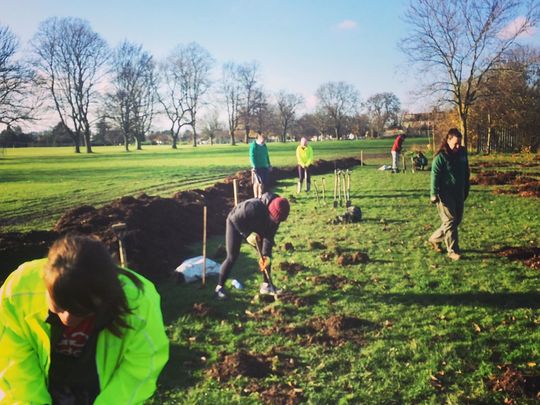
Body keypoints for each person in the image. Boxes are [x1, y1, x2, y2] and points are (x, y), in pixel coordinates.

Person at [0, 234, 169, 404]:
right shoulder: (17, 293)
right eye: (59, 305)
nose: (67, 318)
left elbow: (141, 367)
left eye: (79, 311)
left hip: (105, 391)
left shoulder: (139, 302)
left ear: (103, 298)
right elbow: (12, 361)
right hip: (42, 386)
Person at [215, 192, 290, 299]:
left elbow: (269, 237)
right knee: (232, 256)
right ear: (270, 212)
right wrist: (247, 234)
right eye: (275, 220)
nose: (276, 223)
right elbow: (234, 218)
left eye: (278, 221)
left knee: (265, 257)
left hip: (257, 227)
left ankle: (266, 285)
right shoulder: (253, 207)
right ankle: (219, 288)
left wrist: (266, 256)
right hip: (236, 224)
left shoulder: (278, 215)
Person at [429, 128, 470, 261]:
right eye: (455, 144)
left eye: (459, 143)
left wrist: (466, 187)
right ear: (448, 140)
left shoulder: (462, 153)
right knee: (450, 221)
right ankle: (452, 251)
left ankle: (434, 238)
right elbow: (434, 175)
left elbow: (466, 171)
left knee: (455, 221)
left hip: (459, 192)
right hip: (444, 193)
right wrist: (433, 193)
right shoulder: (441, 157)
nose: (457, 146)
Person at [249, 132, 272, 198]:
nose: (264, 141)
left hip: (264, 166)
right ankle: (256, 196)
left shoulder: (264, 145)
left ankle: (260, 196)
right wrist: (253, 166)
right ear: (259, 138)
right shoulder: (254, 145)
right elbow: (252, 156)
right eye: (263, 140)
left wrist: (269, 164)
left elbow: (266, 155)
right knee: (259, 182)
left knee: (263, 183)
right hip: (257, 167)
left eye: (264, 140)